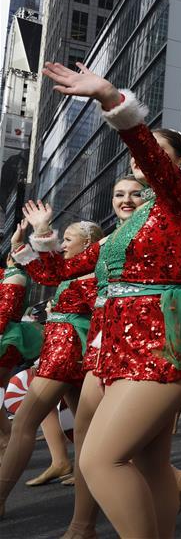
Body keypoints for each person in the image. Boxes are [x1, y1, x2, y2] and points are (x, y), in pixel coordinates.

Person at [34, 61, 181, 537]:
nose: (144, 160)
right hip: (115, 350)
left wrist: (115, 102)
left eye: (156, 154)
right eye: (141, 155)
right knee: (152, 465)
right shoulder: (126, 227)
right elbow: (56, 272)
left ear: (179, 164)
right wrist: (39, 237)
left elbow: (150, 157)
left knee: (98, 459)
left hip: (160, 347)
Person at [0, 217, 101, 517]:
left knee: (23, 423)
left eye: (69, 238)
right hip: (63, 352)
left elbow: (102, 309)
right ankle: (83, 513)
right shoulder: (73, 272)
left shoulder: (89, 274)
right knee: (84, 431)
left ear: (87, 245)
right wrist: (20, 241)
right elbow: (43, 271)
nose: (63, 243)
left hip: (66, 354)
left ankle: (1, 497)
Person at [0, 255, 43, 457]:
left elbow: (5, 313)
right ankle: (7, 440)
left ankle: (8, 440)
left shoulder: (14, 276)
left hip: (6, 339)